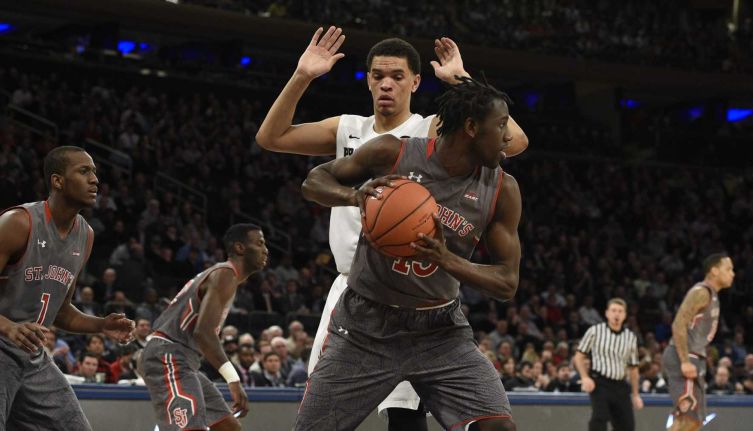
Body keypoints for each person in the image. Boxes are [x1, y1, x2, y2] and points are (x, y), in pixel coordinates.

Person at [256, 25, 528, 430]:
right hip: (358, 292)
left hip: (431, 308)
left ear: (416, 82)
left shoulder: (432, 129)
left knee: (406, 419)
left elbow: (511, 136)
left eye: (397, 76)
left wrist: (462, 80)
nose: (386, 84)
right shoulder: (354, 131)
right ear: (366, 81)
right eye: (378, 76)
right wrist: (303, 75)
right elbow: (272, 138)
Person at [0, 146, 135, 430]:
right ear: (57, 181)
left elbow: (61, 312)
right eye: (84, 171)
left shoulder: (85, 235)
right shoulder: (18, 223)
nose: (95, 179)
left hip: (31, 356)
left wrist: (100, 325)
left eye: (95, 172)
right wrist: (9, 327)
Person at [139, 224, 268, 431]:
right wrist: (233, 380)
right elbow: (203, 333)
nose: (266, 249)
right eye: (260, 243)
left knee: (229, 427)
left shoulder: (223, 276)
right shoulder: (226, 273)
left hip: (184, 360)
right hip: (169, 355)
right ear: (240, 248)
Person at [663, 253, 734, 431]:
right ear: (714, 270)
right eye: (728, 269)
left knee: (694, 421)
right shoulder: (701, 292)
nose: (733, 273)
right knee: (686, 419)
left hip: (693, 357)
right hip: (684, 357)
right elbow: (679, 323)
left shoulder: (713, 295)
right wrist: (685, 360)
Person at [573, 298, 643, 431]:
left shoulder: (630, 337)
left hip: (621, 385)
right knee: (599, 418)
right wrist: (585, 377)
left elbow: (633, 368)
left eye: (620, 311)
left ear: (625, 315)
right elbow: (578, 356)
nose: (617, 314)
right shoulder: (595, 331)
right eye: (614, 311)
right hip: (600, 383)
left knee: (627, 425)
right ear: (607, 313)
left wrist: (635, 394)